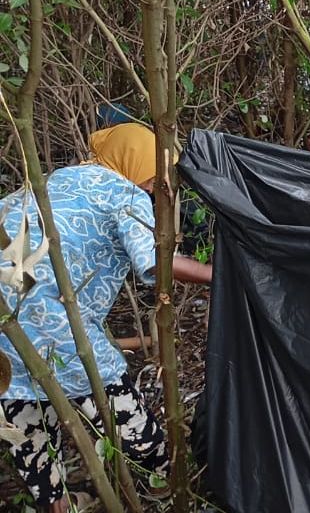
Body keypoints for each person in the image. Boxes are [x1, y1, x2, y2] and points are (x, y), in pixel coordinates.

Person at [0, 122, 212, 513]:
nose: (159, 188)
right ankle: (165, 481)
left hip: (4, 322)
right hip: (53, 324)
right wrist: (221, 277)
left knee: (29, 432)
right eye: (157, 178)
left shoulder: (51, 181)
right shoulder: (121, 191)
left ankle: (59, 502)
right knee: (119, 410)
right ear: (136, 166)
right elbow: (154, 260)